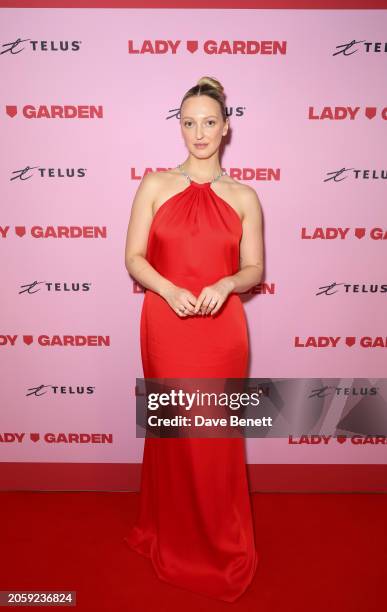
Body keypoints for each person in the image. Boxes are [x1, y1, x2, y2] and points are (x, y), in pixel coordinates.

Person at [123, 76, 264, 602]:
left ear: (226, 128)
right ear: (178, 127)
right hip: (165, 322)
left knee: (216, 437)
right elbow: (134, 257)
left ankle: (222, 543)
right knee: (174, 430)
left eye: (209, 122)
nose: (199, 133)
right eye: (189, 123)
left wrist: (227, 282)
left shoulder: (245, 196)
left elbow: (253, 269)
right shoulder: (155, 185)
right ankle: (170, 532)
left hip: (222, 330)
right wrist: (167, 288)